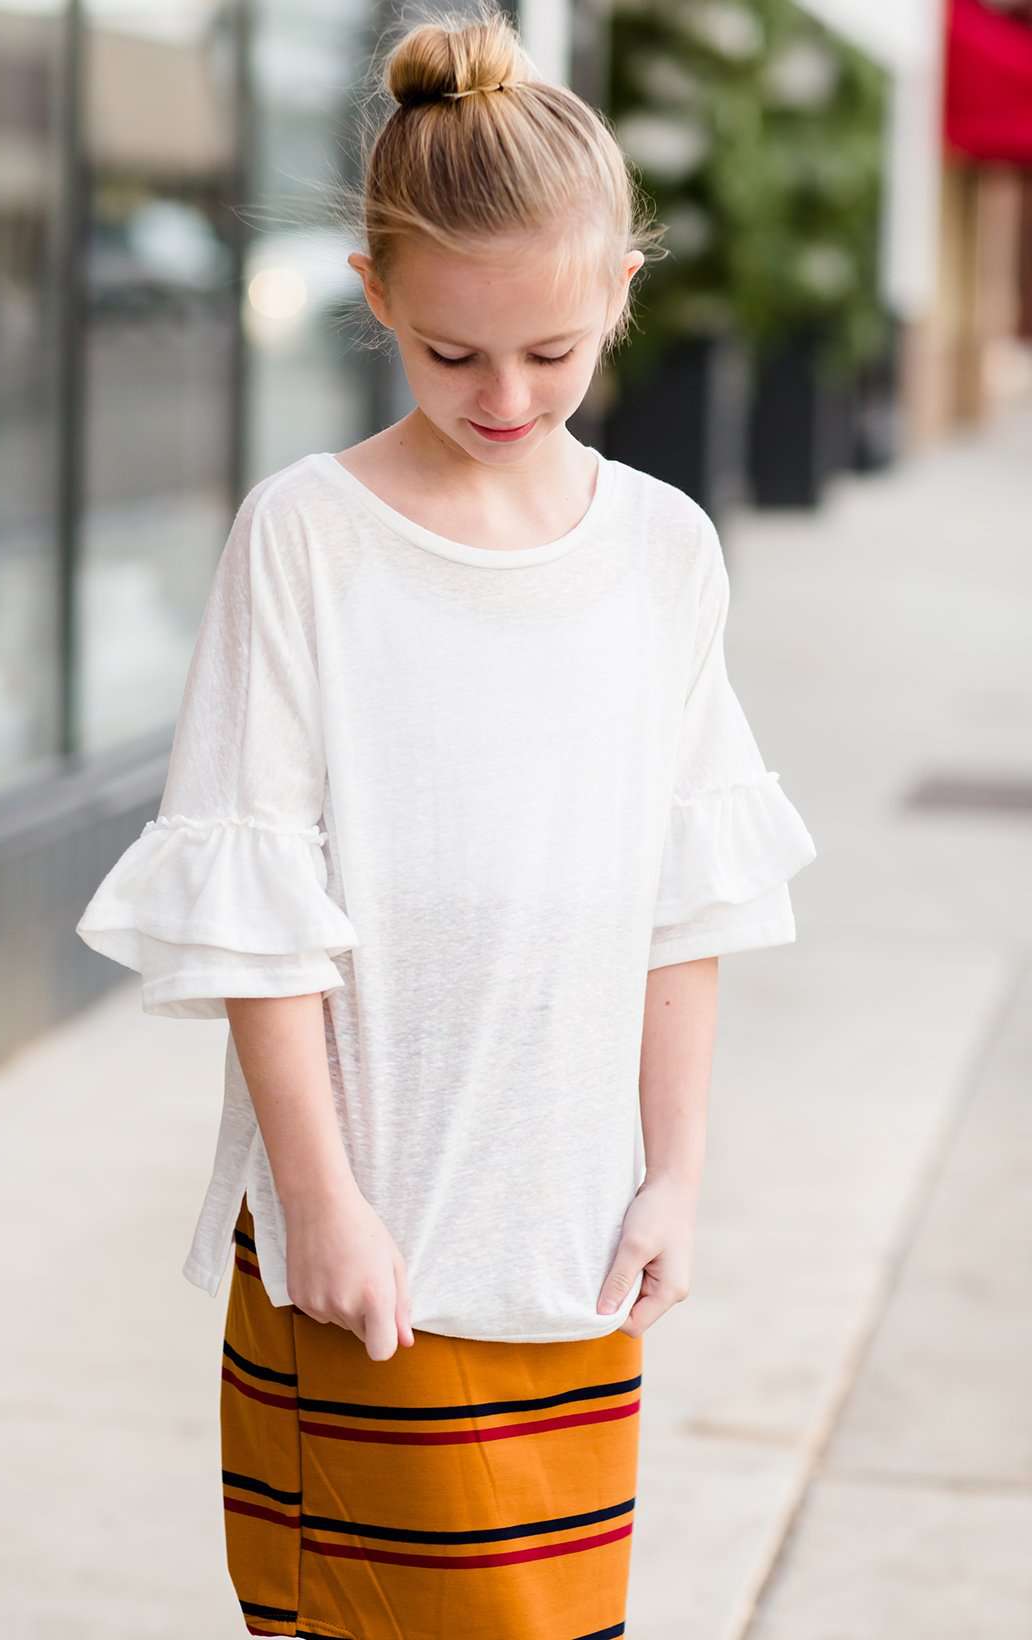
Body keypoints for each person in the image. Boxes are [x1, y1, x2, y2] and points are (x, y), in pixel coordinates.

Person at [74, 4, 817, 1635]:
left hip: (568, 1240)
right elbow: (260, 914)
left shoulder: (663, 552)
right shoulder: (308, 542)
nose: (504, 395)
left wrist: (673, 1176)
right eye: (450, 351)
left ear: (623, 290)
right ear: (375, 302)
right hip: (380, 1240)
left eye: (552, 356)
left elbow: (682, 903)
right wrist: (325, 1207)